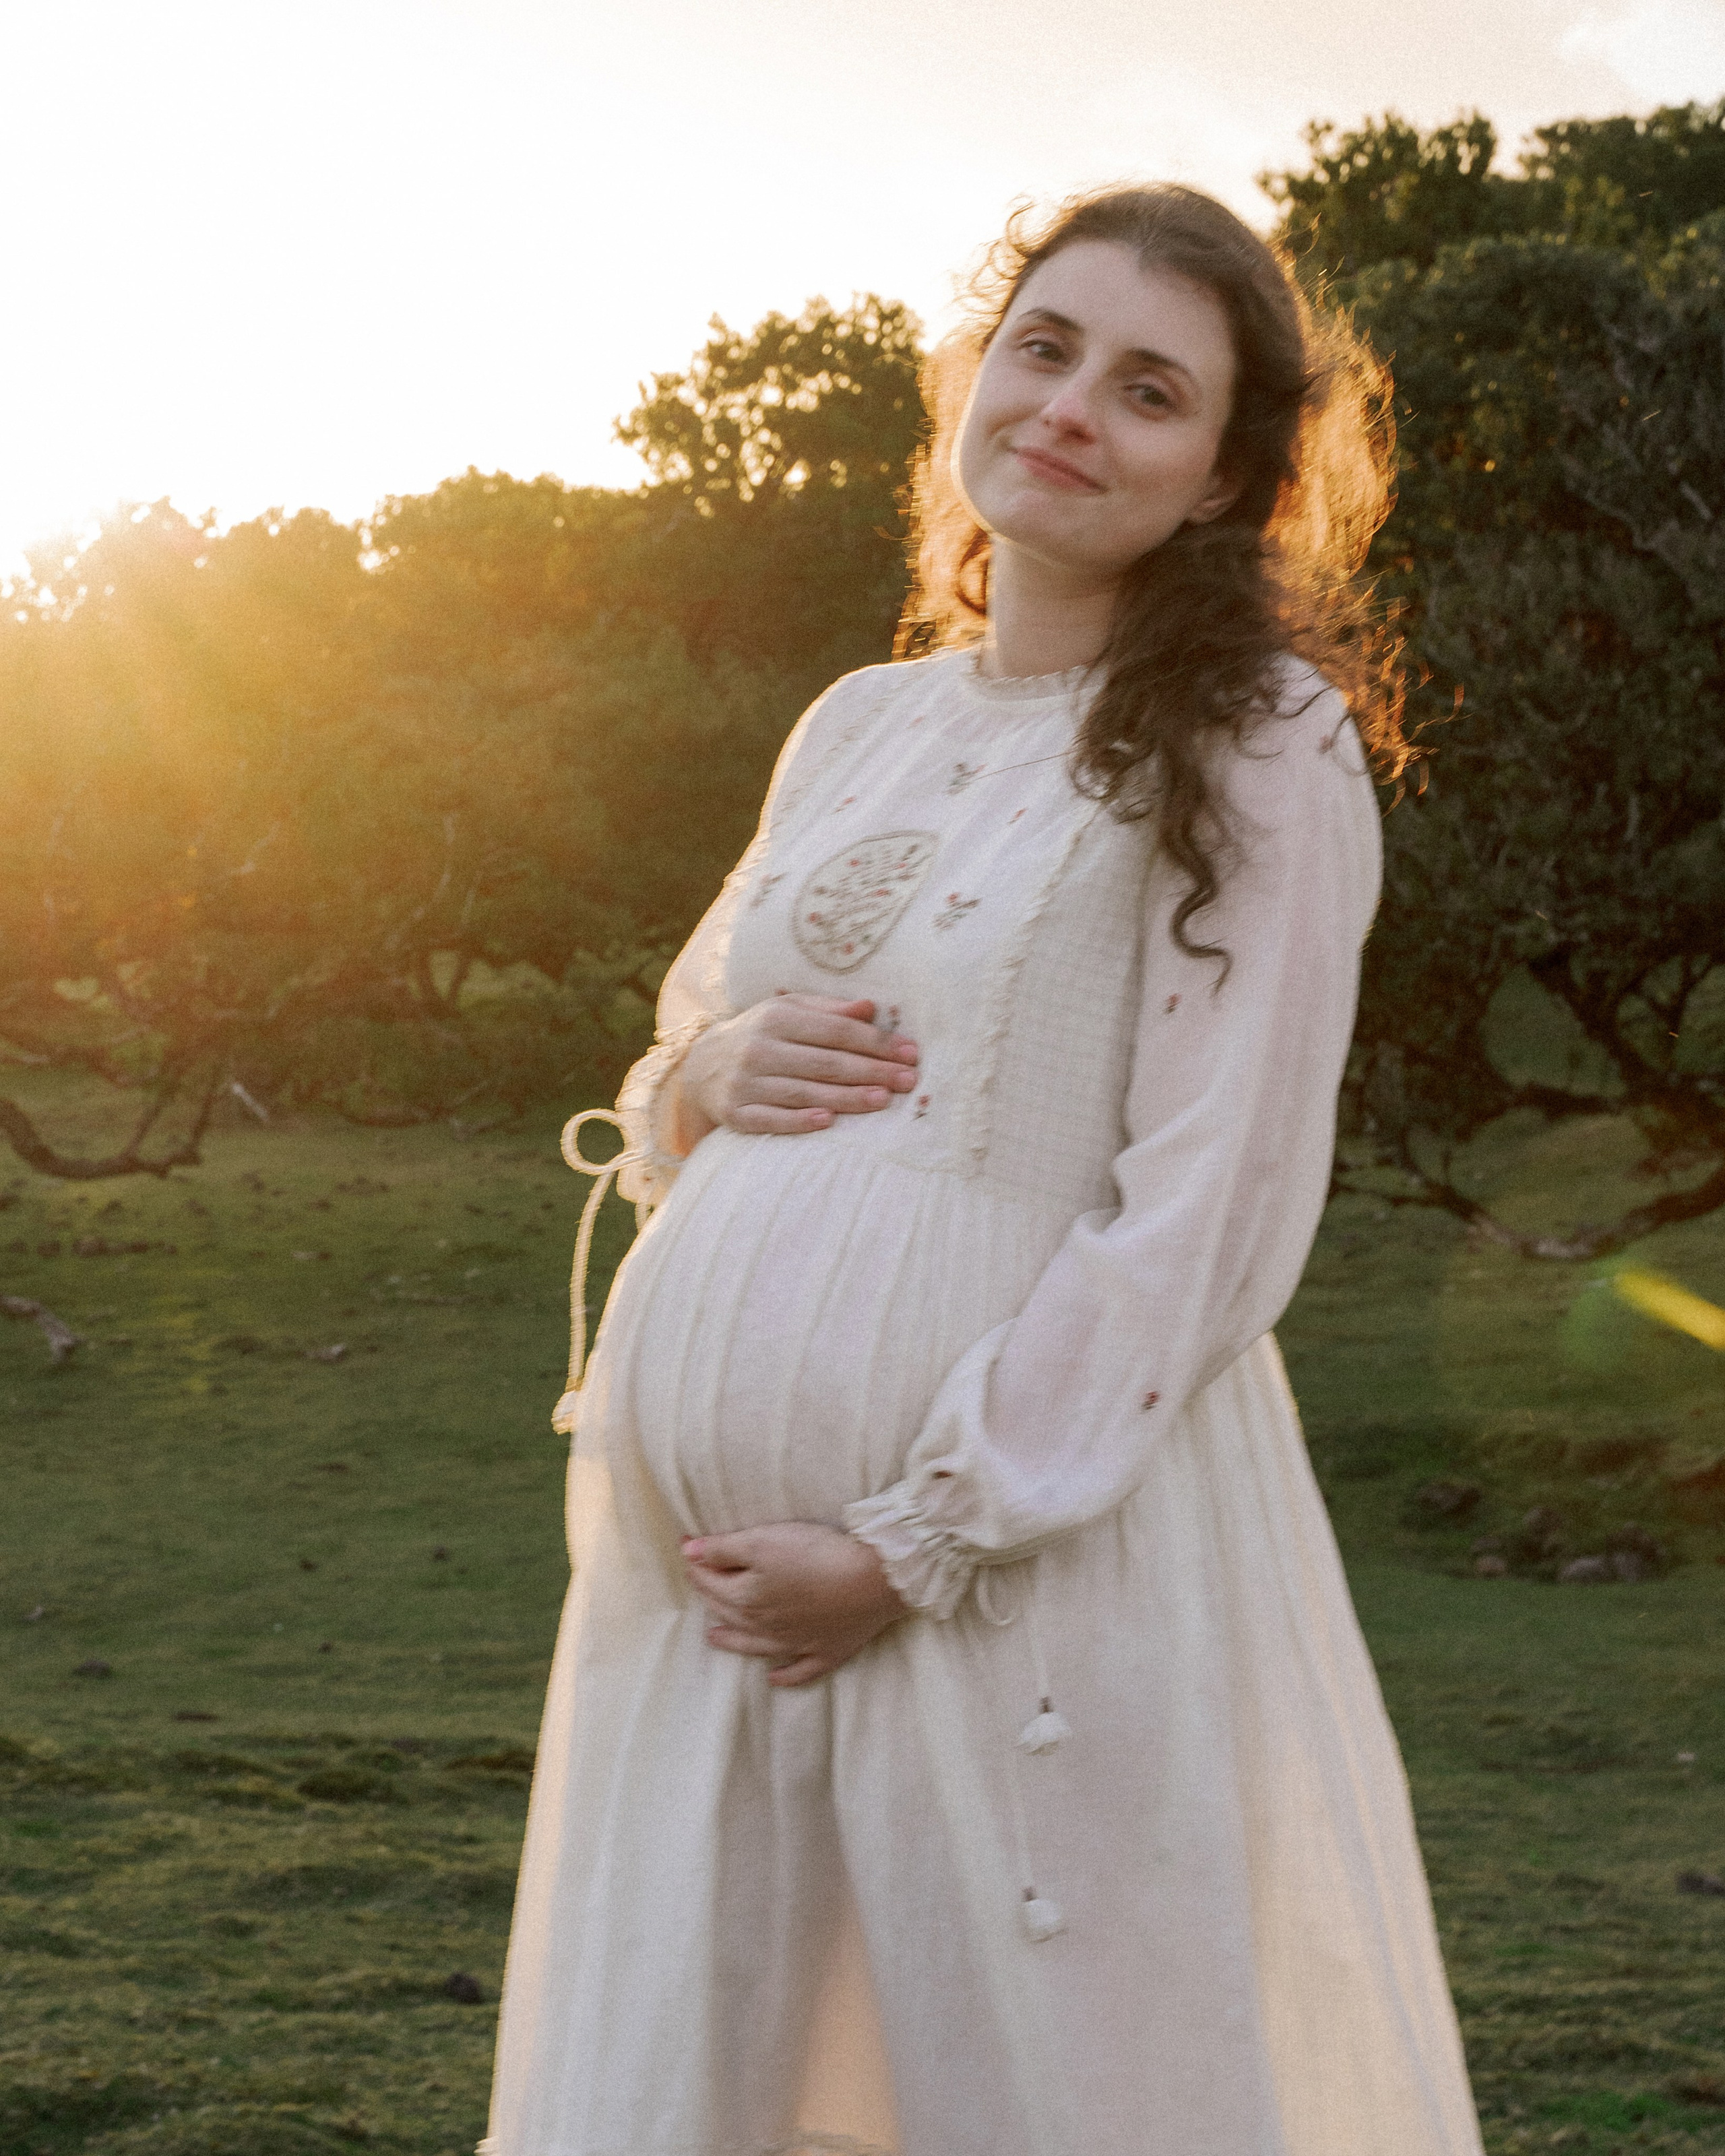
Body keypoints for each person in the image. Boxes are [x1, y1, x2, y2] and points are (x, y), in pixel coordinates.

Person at [481, 183, 1485, 2156]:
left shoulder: (1257, 741)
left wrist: (916, 1541)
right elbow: (689, 1036)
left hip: (1006, 1580)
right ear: (972, 377)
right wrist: (707, 1073)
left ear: (1225, 480)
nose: (1072, 409)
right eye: (1044, 348)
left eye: (1151, 390)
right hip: (710, 1627)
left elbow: (1210, 1207)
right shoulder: (858, 722)